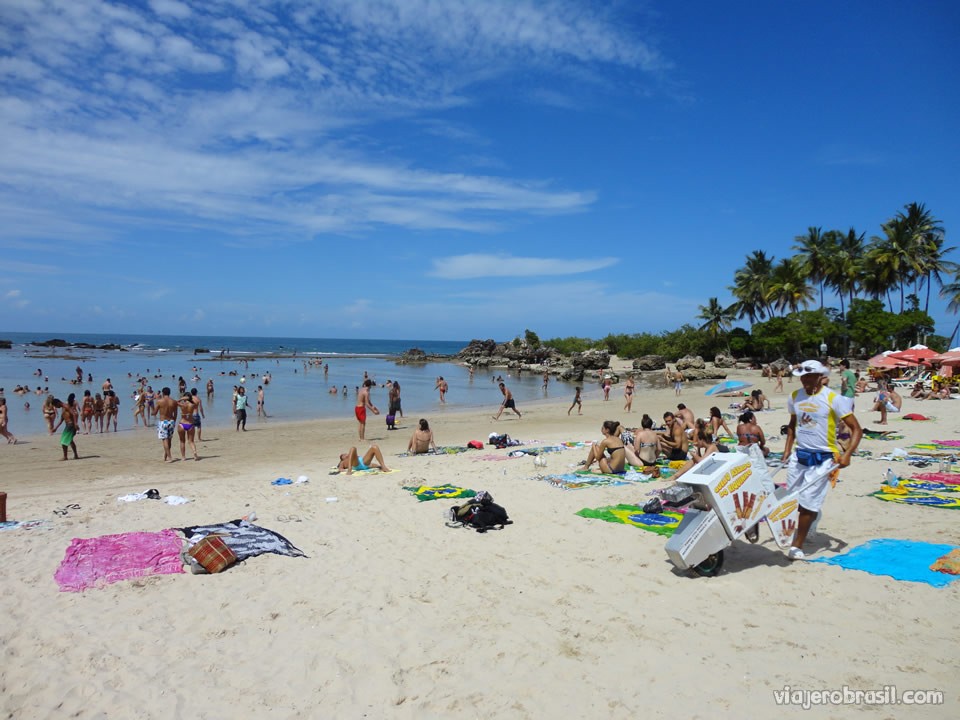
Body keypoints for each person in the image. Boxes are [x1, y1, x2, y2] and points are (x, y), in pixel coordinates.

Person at [782, 360, 862, 561]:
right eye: (802, 376)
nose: (805, 380)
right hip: (800, 455)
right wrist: (787, 450)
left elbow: (856, 429)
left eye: (809, 376)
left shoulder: (834, 399)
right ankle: (812, 518)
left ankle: (796, 546)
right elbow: (792, 425)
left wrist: (847, 454)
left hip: (823, 457)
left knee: (808, 501)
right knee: (792, 498)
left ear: (819, 376)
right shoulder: (795, 397)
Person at [156, 387, 178, 462]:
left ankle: (169, 457)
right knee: (169, 440)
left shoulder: (159, 401)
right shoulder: (174, 402)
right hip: (171, 421)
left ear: (163, 393)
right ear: (169, 393)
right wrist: (174, 422)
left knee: (164, 440)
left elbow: (154, 413)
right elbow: (175, 414)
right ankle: (165, 457)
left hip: (163, 422)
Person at [176, 392, 199, 461]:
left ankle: (183, 457)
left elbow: (176, 402)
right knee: (191, 441)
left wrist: (181, 398)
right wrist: (189, 398)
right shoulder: (192, 404)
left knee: (182, 441)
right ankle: (194, 453)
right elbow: (197, 402)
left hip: (182, 424)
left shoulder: (182, 405)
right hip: (190, 424)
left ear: (185, 397)